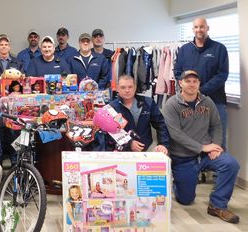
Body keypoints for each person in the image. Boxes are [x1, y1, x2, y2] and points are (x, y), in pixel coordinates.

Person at [162, 70, 240, 224]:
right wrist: (201, 148)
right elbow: (176, 134)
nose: (191, 84)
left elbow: (217, 125)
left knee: (230, 164)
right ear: (180, 83)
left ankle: (217, 205)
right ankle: (178, 182)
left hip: (206, 155)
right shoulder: (172, 104)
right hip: (183, 157)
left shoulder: (207, 102)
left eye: (195, 81)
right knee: (186, 200)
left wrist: (215, 146)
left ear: (199, 84)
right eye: (188, 81)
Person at [174, 17, 229, 149]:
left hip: (215, 102)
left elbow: (222, 75)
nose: (199, 30)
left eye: (202, 27)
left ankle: (221, 168)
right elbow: (177, 72)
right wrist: (190, 91)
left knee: (218, 140)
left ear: (207, 28)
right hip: (189, 104)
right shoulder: (184, 50)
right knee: (192, 138)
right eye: (196, 27)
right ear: (193, 29)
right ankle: (197, 168)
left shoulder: (219, 48)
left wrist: (201, 91)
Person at [101, 75, 169, 153]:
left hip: (148, 148)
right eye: (123, 87)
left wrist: (163, 145)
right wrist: (128, 143)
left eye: (130, 87)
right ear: (117, 89)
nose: (127, 90)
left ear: (135, 87)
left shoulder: (148, 103)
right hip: (123, 151)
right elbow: (108, 134)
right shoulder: (111, 108)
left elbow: (161, 124)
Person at [0, 34, 23, 109]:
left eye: (6, 44)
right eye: (1, 44)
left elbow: (21, 80)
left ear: (9, 47)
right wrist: (1, 93)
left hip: (14, 99)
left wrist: (11, 94)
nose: (4, 46)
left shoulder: (18, 62)